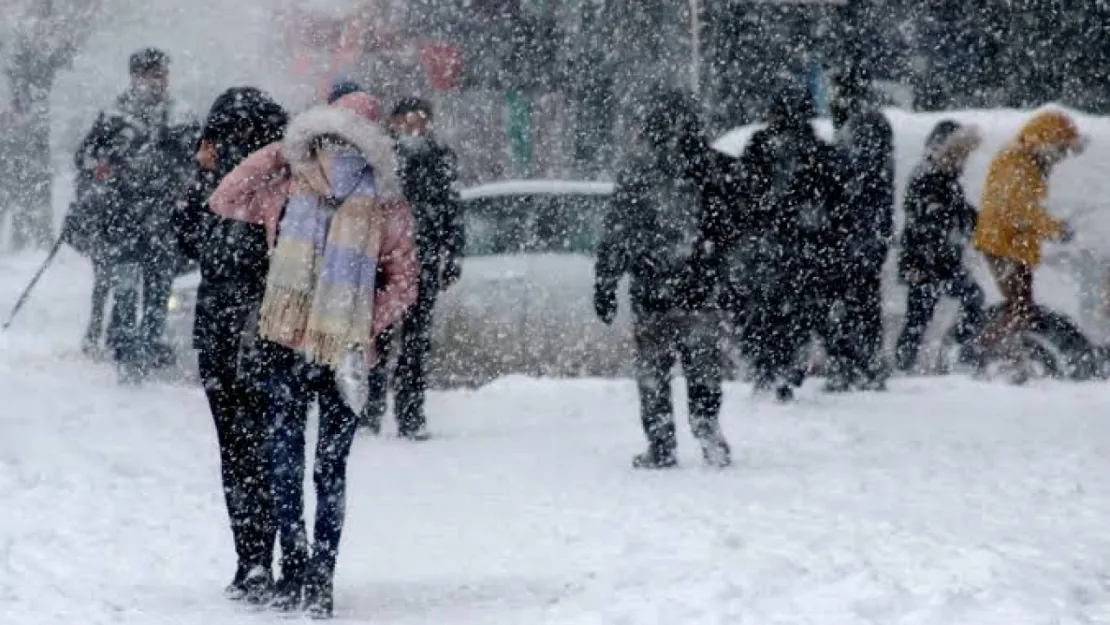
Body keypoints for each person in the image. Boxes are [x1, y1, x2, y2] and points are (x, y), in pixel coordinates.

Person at [209, 93, 418, 619]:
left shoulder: (289, 187)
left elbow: (226, 196)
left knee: (288, 462)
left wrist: (281, 151)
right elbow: (405, 283)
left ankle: (300, 568)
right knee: (329, 469)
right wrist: (361, 322)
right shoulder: (386, 202)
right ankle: (319, 574)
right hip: (345, 355)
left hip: (290, 346)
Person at [171, 87, 288, 603]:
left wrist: (202, 177)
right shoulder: (272, 181)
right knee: (256, 449)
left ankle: (258, 557)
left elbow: (186, 239)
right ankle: (261, 557)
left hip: (248, 331)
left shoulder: (267, 186)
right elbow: (184, 239)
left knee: (247, 451)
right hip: (251, 332)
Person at [593, 89, 739, 469]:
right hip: (699, 287)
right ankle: (707, 426)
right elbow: (729, 231)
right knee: (703, 366)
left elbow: (617, 233)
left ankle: (661, 443)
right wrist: (724, 274)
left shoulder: (637, 172)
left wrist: (606, 283)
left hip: (652, 288)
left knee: (654, 370)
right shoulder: (711, 169)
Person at [73, 47, 197, 382]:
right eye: (152, 74)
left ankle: (148, 345)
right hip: (122, 219)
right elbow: (85, 158)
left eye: (161, 74)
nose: (158, 81)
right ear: (136, 76)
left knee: (158, 291)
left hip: (162, 220)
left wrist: (182, 184)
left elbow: (194, 163)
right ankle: (127, 350)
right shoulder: (114, 116)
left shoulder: (179, 115)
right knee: (126, 288)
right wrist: (105, 168)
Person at [734, 85, 849, 402]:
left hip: (767, 247)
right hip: (806, 248)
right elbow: (837, 205)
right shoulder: (819, 151)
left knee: (764, 312)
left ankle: (766, 367)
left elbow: (742, 194)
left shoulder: (759, 146)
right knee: (798, 313)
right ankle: (786, 366)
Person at [360, 97, 464, 439]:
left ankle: (410, 414)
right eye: (410, 121)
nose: (417, 128)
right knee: (378, 337)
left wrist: (452, 256)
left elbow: (452, 209)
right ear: (394, 122)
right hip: (385, 263)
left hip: (423, 260)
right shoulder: (380, 158)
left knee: (416, 343)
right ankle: (370, 409)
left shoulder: (439, 158)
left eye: (423, 121)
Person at [972, 109, 1085, 382]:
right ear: (1046, 140)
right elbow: (1018, 209)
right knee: (1020, 309)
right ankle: (988, 354)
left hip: (1012, 245)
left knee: (1021, 308)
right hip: (1004, 245)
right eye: (1061, 150)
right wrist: (1054, 229)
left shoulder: (1028, 159)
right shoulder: (1017, 162)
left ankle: (1005, 355)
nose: (1061, 158)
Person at [893, 120, 986, 373]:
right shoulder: (927, 177)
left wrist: (979, 222)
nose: (964, 161)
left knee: (924, 316)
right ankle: (910, 362)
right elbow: (926, 223)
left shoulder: (945, 177)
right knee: (920, 317)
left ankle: (949, 348)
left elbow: (960, 214)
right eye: (960, 154)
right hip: (925, 262)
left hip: (939, 261)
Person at [825, 65, 896, 392]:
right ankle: (859, 363)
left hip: (856, 231)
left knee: (855, 299)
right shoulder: (867, 122)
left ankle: (856, 365)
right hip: (863, 230)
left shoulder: (862, 124)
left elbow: (857, 178)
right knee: (860, 299)